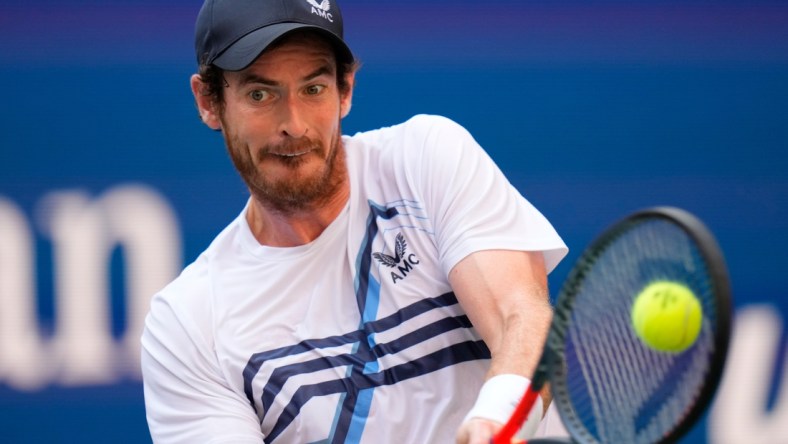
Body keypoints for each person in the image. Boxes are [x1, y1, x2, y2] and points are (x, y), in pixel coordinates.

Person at [140, 0, 569, 443]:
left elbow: (521, 316)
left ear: (345, 89)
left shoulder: (426, 160)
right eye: (260, 94)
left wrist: (498, 420)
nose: (294, 124)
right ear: (209, 102)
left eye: (313, 89)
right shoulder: (188, 325)